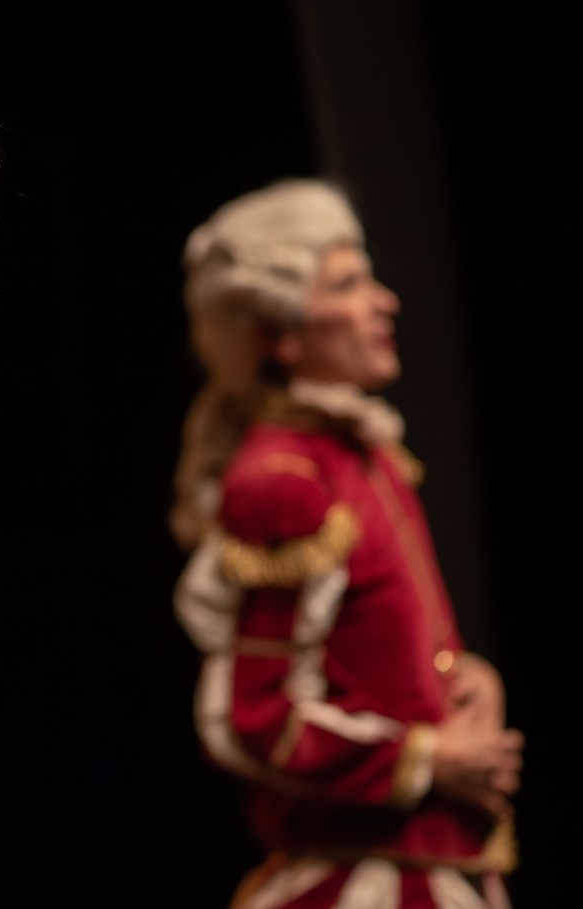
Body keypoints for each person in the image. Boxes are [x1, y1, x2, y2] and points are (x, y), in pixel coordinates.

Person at [168, 179, 524, 908]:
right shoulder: (283, 481)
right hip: (362, 878)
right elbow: (256, 717)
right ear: (279, 333)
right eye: (347, 285)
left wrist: (465, 678)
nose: (383, 301)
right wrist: (429, 758)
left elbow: (379, 653)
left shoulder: (362, 452)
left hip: (435, 864)